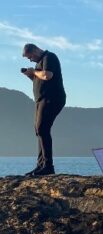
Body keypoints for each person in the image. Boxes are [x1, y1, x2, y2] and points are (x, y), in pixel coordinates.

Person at [22, 43, 66, 176]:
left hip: (52, 99)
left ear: (35, 50)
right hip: (41, 100)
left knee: (42, 129)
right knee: (39, 130)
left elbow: (47, 75)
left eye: (30, 57)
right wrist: (30, 75)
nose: (31, 60)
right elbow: (40, 80)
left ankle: (48, 166)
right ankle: (41, 165)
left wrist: (34, 71)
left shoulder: (49, 57)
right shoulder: (39, 63)